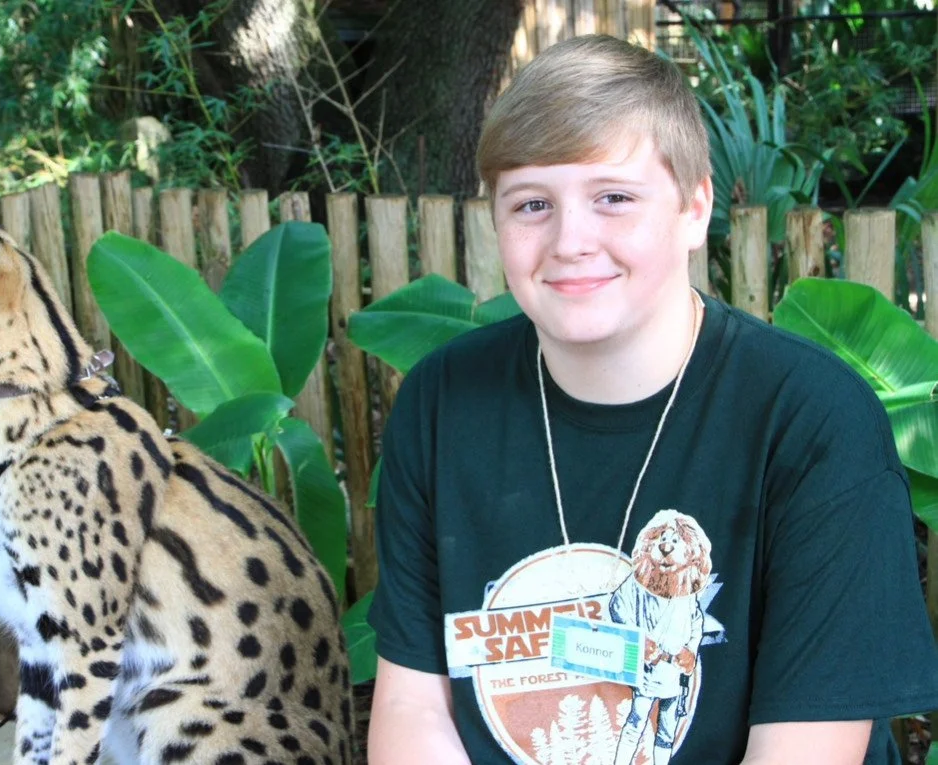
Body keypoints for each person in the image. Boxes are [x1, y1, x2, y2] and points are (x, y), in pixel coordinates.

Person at [365, 33, 938, 765]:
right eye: (532, 203)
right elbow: (413, 705)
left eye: (613, 198)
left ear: (694, 210)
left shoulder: (813, 420)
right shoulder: (442, 402)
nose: (571, 239)